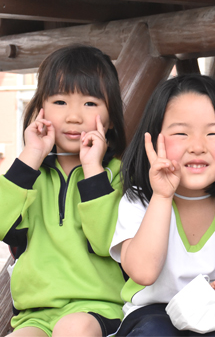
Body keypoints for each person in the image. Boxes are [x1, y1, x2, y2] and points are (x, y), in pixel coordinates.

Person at [110, 74, 215, 336]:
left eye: (213, 133)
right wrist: (162, 196)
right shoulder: (139, 200)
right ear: (154, 140)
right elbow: (143, 272)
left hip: (212, 314)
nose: (197, 146)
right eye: (181, 133)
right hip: (150, 315)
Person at [1, 45, 127, 336]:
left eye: (90, 103)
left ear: (110, 118)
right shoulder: (31, 174)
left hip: (98, 310)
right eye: (60, 101)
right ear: (40, 108)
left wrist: (93, 170)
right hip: (36, 313)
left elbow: (105, 242)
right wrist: (31, 156)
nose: (73, 116)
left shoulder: (119, 174)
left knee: (74, 329)